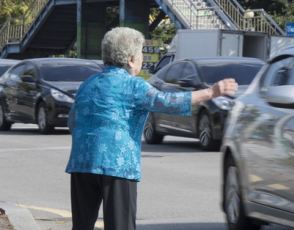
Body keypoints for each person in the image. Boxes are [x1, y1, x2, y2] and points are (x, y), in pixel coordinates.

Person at [65, 27, 238, 230]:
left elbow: (72, 122)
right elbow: (167, 101)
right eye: (140, 55)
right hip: (117, 166)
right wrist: (211, 92)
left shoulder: (88, 84)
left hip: (81, 163)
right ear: (130, 59)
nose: (141, 60)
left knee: (81, 226)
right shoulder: (133, 85)